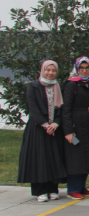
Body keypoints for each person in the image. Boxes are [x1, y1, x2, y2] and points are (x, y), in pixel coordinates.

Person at [18, 60, 66, 202]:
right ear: (42, 70)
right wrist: (45, 125)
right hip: (38, 128)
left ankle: (53, 188)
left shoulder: (59, 87)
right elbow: (33, 109)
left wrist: (56, 123)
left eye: (53, 70)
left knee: (53, 158)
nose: (50, 73)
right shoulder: (33, 86)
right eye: (48, 70)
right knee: (39, 159)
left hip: (54, 129)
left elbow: (61, 108)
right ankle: (40, 191)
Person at [62, 57, 89, 199]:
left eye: (87, 68)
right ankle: (72, 188)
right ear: (77, 69)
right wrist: (68, 130)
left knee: (87, 155)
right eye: (82, 68)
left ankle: (82, 186)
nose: (84, 71)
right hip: (75, 125)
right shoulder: (71, 85)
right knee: (75, 156)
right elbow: (66, 109)